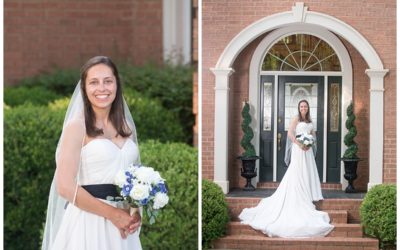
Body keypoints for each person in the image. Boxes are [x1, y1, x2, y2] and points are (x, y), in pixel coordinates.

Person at [42, 56, 142, 249]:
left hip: (123, 226)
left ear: (116, 85)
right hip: (88, 222)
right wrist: (113, 215)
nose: (102, 88)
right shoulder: (77, 127)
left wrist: (134, 210)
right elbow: (64, 186)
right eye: (94, 82)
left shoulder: (126, 126)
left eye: (108, 81)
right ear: (84, 89)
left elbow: (133, 178)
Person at [239, 99, 334, 238]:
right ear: (299, 107)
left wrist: (309, 143)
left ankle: (308, 193)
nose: (303, 108)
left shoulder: (309, 121)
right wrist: (299, 143)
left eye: (305, 106)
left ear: (308, 108)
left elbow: (313, 135)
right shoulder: (296, 118)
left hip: (307, 151)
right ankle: (299, 193)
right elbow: (290, 133)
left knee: (307, 171)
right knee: (297, 172)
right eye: (301, 106)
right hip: (298, 149)